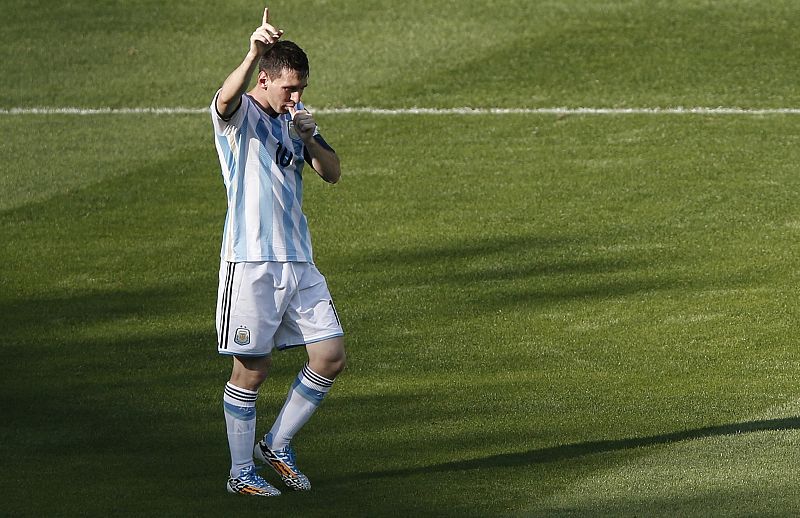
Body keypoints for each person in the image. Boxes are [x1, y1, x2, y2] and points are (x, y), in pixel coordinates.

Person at [210, 7, 346, 497]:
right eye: (289, 88)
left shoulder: (296, 121)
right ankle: (240, 472)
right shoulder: (240, 116)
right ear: (264, 79)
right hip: (250, 262)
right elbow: (224, 99)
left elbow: (332, 172)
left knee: (330, 355)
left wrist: (309, 134)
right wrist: (251, 52)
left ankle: (278, 443)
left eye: (302, 88)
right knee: (252, 368)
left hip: (299, 260)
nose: (297, 97)